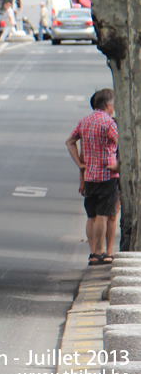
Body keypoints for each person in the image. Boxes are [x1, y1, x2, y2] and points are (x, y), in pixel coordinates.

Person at [66, 88, 120, 266]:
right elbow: (122, 143)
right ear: (107, 105)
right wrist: (118, 165)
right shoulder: (108, 123)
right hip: (107, 175)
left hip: (89, 175)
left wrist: (79, 164)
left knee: (91, 216)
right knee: (103, 216)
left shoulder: (84, 121)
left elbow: (70, 141)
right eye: (112, 105)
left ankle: (91, 252)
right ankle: (100, 252)